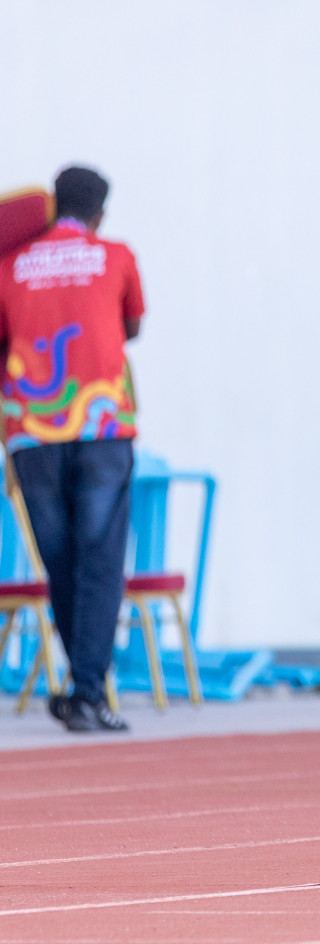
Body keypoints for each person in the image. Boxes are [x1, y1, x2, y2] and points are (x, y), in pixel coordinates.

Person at [0, 166, 144, 732]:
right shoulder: (116, 256)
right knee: (100, 562)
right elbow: (130, 325)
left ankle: (84, 689)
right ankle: (87, 691)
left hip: (32, 433)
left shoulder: (10, 265)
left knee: (61, 563)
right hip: (104, 426)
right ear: (100, 213)